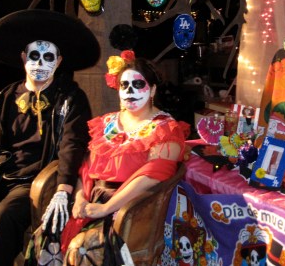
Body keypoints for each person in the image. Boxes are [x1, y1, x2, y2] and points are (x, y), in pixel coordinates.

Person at [0, 9, 100, 266]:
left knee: (5, 215)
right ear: (23, 58)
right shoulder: (6, 97)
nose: (40, 63)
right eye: (34, 56)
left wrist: (63, 189)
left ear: (58, 62)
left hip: (34, 184)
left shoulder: (70, 98)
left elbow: (72, 146)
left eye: (48, 57)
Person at [58, 50, 190, 265]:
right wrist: (80, 198)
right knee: (48, 232)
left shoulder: (165, 128)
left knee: (82, 250)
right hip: (92, 201)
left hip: (132, 211)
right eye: (124, 85)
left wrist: (107, 208)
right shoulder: (106, 123)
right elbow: (86, 167)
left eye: (138, 84)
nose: (130, 91)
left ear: (153, 89)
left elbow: (153, 175)